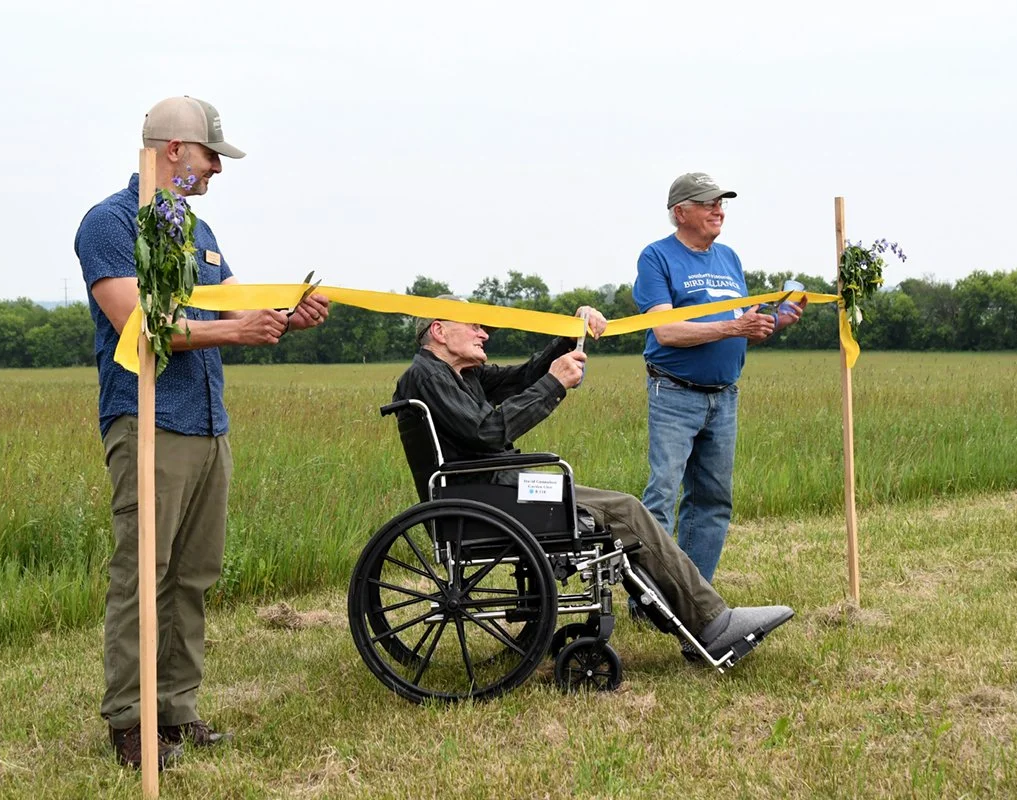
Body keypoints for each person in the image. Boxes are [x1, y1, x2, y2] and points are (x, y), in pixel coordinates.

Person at [75, 96, 330, 769]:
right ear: (173, 151)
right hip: (149, 419)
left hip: (207, 423)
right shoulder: (110, 224)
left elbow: (239, 299)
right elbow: (139, 324)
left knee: (192, 577)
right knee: (144, 575)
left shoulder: (198, 228)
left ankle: (177, 709)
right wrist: (235, 332)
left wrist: (286, 311)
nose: (217, 168)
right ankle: (132, 721)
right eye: (211, 155)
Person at [392, 296, 794, 665]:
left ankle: (697, 621)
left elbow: (524, 377)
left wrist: (573, 332)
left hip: (498, 488)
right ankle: (713, 624)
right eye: (477, 326)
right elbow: (487, 431)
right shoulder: (428, 375)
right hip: (486, 497)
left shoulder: (463, 375)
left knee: (617, 509)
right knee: (625, 511)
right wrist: (555, 384)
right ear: (439, 331)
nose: (485, 334)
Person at [633, 172, 805, 585]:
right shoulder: (656, 257)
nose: (718, 209)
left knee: (712, 501)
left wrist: (772, 322)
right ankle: (647, 597)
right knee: (661, 498)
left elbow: (738, 324)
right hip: (674, 392)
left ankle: (695, 595)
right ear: (680, 212)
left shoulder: (728, 258)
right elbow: (666, 331)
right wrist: (734, 329)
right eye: (708, 202)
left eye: (721, 202)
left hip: (724, 396)